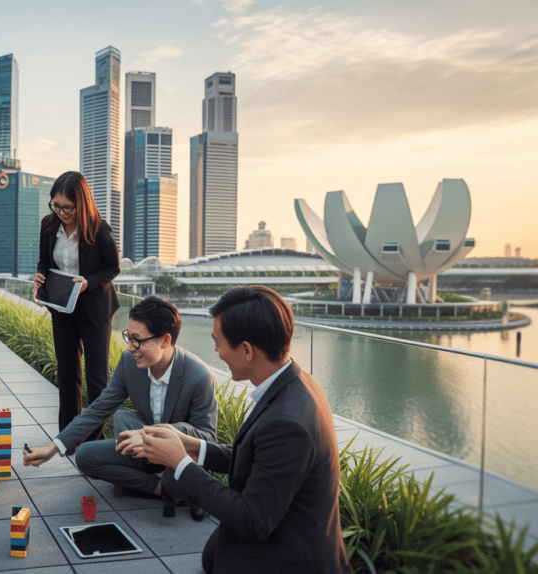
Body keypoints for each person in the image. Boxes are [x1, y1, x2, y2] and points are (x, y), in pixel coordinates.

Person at [141, 286, 352, 574]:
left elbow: (253, 521)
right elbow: (260, 456)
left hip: (290, 556)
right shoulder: (295, 381)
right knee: (212, 554)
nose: (216, 353)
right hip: (284, 524)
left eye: (218, 344)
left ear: (247, 350)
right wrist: (190, 444)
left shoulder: (288, 423)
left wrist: (180, 463)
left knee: (218, 553)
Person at [23, 297, 217, 510]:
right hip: (142, 447)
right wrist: (53, 447)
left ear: (164, 340)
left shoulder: (199, 377)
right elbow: (99, 409)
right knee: (85, 457)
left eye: (137, 339)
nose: (130, 347)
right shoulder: (129, 362)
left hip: (178, 454)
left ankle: (166, 485)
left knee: (188, 472)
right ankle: (161, 488)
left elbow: (207, 438)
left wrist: (158, 435)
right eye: (128, 336)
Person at [32, 171, 120, 441]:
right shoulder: (49, 225)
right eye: (55, 205)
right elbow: (44, 262)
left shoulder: (98, 228)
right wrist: (39, 279)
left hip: (95, 308)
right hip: (62, 307)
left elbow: (112, 269)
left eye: (67, 207)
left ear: (81, 203)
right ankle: (67, 438)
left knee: (96, 378)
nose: (60, 212)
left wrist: (87, 283)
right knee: (68, 372)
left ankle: (93, 441)